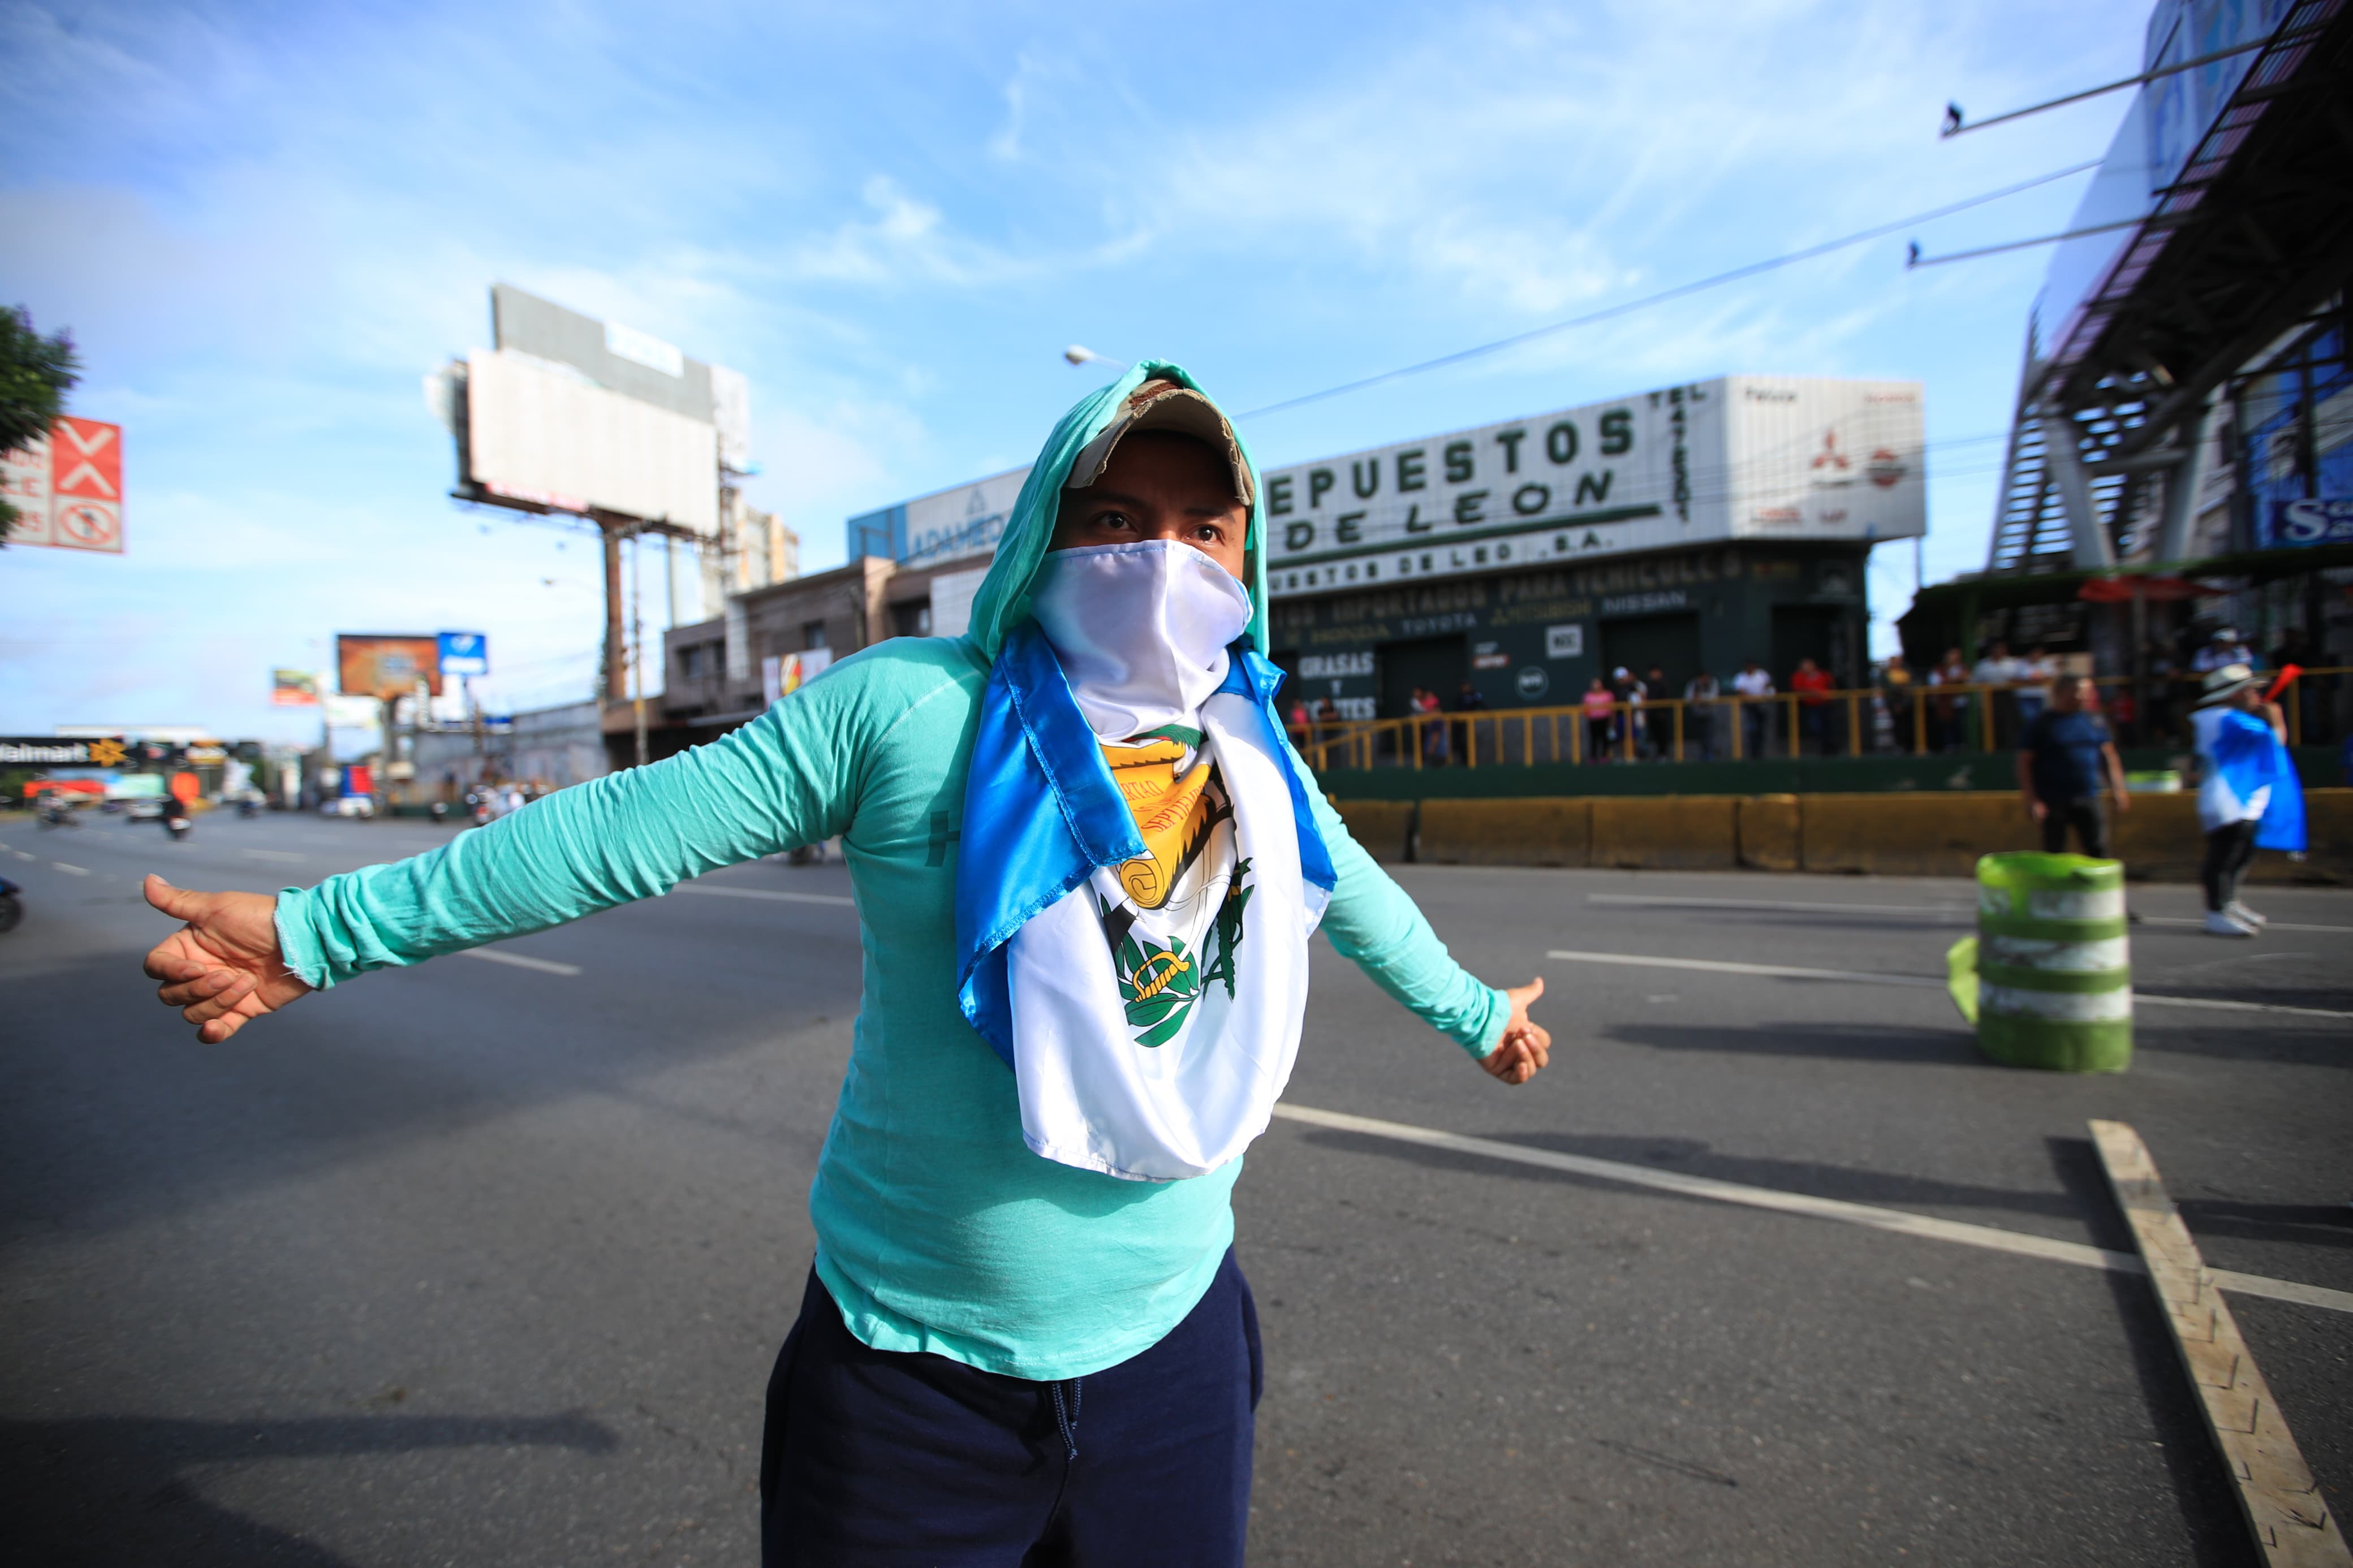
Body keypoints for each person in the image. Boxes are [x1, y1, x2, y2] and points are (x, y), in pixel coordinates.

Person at [138, 368, 1552, 1568]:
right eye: (1115, 520)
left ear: (1247, 564)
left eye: (1204, 529)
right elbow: (622, 831)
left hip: (1173, 1359)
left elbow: (1354, 895)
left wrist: (1480, 1014)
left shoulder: (1248, 746)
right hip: (909, 1387)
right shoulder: (909, 706)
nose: (1162, 560)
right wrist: (325, 933)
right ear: (1042, 536)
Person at [2189, 663, 2305, 938]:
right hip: (2228, 803)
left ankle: (2228, 902)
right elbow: (2275, 742)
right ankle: (2216, 913)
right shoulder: (2224, 719)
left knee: (2241, 857)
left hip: (2244, 803)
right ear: (2236, 694)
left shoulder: (2232, 718)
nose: (2257, 696)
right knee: (2224, 859)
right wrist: (2275, 720)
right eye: (2251, 690)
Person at [2017, 675, 2130, 857]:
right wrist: (2032, 800)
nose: (2085, 696)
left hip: (2089, 796)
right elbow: (2024, 763)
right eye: (2080, 691)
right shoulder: (2040, 724)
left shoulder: (2094, 721)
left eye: (2088, 692)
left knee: (2097, 848)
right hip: (2053, 799)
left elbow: (2109, 757)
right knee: (2055, 853)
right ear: (2060, 693)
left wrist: (2118, 790)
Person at [1928, 648, 1972, 752]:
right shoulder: (1939, 670)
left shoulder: (1963, 668)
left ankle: (1962, 746)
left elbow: (1969, 680)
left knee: (1961, 725)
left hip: (1960, 702)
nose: (1953, 658)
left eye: (1956, 656)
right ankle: (1949, 746)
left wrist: (1954, 680)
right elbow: (1935, 684)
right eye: (1951, 655)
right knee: (1947, 725)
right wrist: (1955, 680)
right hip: (1945, 703)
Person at [1789, 656, 1833, 755]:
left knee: (1827, 727)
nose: (1807, 668)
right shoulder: (1799, 676)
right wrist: (1812, 692)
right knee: (1815, 727)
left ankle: (1828, 748)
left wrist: (1821, 695)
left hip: (1824, 705)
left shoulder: (1823, 674)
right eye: (1804, 666)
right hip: (1809, 706)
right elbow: (1797, 689)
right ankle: (1823, 747)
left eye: (1809, 665)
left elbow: (1831, 687)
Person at [1731, 657, 1774, 758]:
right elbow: (1740, 691)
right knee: (1752, 730)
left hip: (1762, 705)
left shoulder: (1762, 674)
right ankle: (1753, 753)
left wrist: (1766, 694)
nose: (1751, 668)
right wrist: (1750, 698)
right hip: (1749, 706)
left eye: (1753, 666)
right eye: (1749, 667)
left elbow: (1768, 686)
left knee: (1761, 730)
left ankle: (1760, 753)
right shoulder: (1741, 677)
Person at [1878, 654, 1915, 753]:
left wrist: (1905, 701)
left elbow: (1913, 685)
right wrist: (1896, 703)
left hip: (1908, 704)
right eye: (1893, 662)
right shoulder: (1886, 674)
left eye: (1897, 662)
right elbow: (1888, 689)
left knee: (1910, 725)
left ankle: (1910, 746)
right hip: (1894, 703)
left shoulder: (1906, 671)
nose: (1896, 664)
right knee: (1898, 725)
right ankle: (1899, 745)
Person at [1683, 669, 1721, 761]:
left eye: (1706, 678)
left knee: (1709, 734)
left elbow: (1714, 697)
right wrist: (1698, 700)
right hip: (1698, 714)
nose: (1704, 680)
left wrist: (1700, 698)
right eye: (1702, 678)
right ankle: (1703, 754)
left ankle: (1710, 754)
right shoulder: (1693, 684)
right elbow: (1688, 698)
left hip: (1710, 713)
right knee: (1701, 735)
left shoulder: (1713, 683)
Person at [2014, 645, 2055, 726]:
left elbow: (2051, 676)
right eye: (2034, 653)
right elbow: (2014, 678)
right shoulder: (2021, 664)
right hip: (2025, 696)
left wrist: (2041, 679)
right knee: (2029, 718)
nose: (2036, 655)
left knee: (2040, 718)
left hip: (2039, 696)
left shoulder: (2045, 664)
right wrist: (2028, 681)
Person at [1581, 676, 1616, 763]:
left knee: (1605, 739)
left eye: (1598, 684)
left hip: (1604, 719)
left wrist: (1612, 720)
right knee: (1594, 739)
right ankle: (1593, 757)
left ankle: (1604, 756)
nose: (1596, 686)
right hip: (1593, 720)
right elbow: (1585, 708)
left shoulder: (1608, 694)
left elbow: (1612, 708)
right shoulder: (1588, 696)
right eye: (1594, 684)